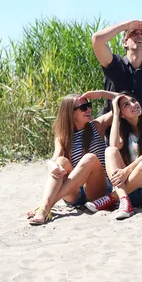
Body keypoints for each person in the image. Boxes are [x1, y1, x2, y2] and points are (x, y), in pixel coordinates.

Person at [27, 93, 114, 225]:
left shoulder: (97, 126)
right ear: (71, 114)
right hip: (74, 193)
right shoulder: (63, 136)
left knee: (89, 158)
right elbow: (54, 158)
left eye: (88, 105)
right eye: (83, 107)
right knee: (61, 161)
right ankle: (46, 206)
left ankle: (45, 206)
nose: (89, 109)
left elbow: (124, 102)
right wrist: (50, 164)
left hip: (97, 190)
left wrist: (101, 93)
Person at [85, 92, 142, 220]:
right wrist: (116, 113)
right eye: (126, 104)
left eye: (134, 100)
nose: (133, 104)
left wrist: (126, 171)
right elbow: (113, 145)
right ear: (122, 114)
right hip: (132, 192)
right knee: (110, 151)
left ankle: (111, 198)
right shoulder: (125, 133)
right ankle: (124, 200)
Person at [91, 19, 142, 117]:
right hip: (111, 129)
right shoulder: (114, 64)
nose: (139, 35)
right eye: (133, 33)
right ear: (125, 42)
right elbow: (97, 40)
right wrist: (125, 26)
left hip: (138, 131)